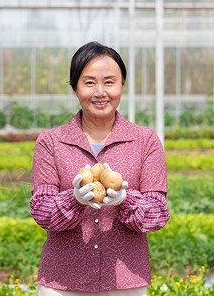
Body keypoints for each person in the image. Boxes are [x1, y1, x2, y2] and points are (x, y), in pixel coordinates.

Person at [30, 41, 169, 296]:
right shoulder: (51, 141)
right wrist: (73, 200)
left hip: (125, 283)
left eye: (109, 82)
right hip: (62, 282)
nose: (100, 92)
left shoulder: (145, 141)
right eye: (89, 82)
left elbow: (157, 214)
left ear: (121, 86)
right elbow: (41, 210)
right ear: (75, 87)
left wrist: (125, 201)